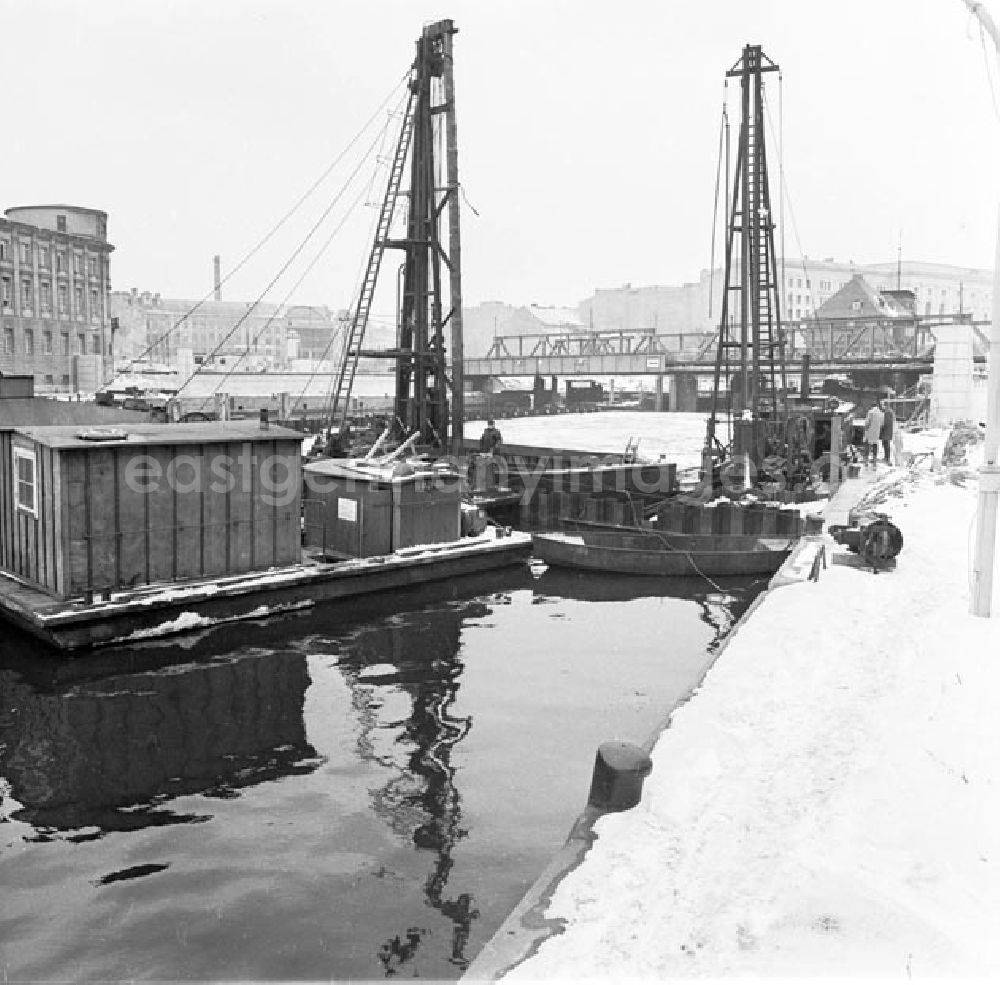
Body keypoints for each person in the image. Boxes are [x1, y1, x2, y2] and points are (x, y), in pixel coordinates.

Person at [863, 400, 885, 469]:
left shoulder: (870, 412)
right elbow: (882, 424)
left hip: (869, 431)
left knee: (867, 445)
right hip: (876, 432)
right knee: (875, 445)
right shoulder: (881, 413)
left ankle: (866, 462)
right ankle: (874, 462)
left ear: (871, 406)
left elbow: (867, 422)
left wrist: (865, 429)